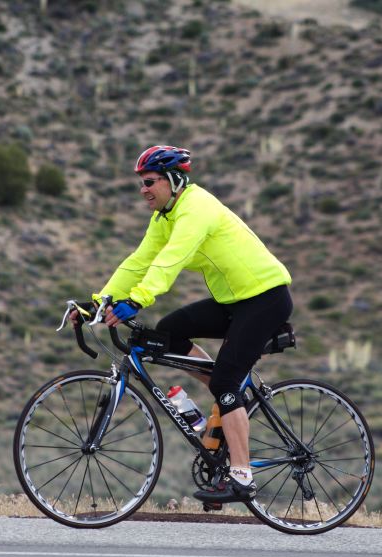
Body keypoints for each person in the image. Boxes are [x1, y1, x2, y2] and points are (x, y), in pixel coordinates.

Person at [80, 145, 293, 503]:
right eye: (141, 184)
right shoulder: (164, 216)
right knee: (168, 332)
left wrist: (136, 301)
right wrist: (98, 303)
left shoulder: (196, 209)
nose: (143, 190)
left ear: (173, 180)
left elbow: (170, 261)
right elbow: (139, 262)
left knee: (225, 379)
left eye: (150, 182)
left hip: (266, 298)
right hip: (235, 301)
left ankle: (242, 477)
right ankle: (226, 403)